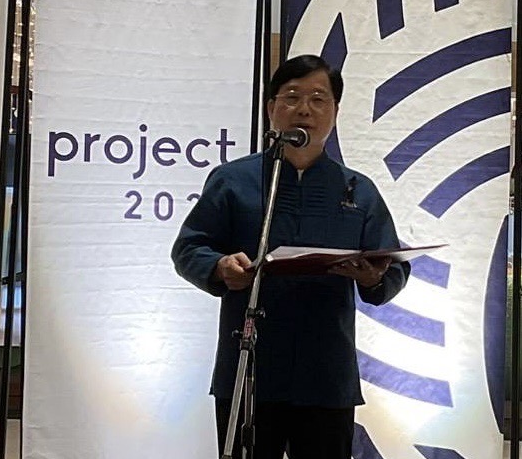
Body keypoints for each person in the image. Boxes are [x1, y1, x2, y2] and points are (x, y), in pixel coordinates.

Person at [171, 55, 410, 459]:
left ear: (335, 111)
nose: (304, 109)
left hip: (326, 376)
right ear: (271, 108)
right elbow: (189, 248)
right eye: (292, 97)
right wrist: (219, 267)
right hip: (250, 369)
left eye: (318, 99)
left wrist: (373, 278)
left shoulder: (358, 190)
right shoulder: (234, 180)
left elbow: (395, 265)